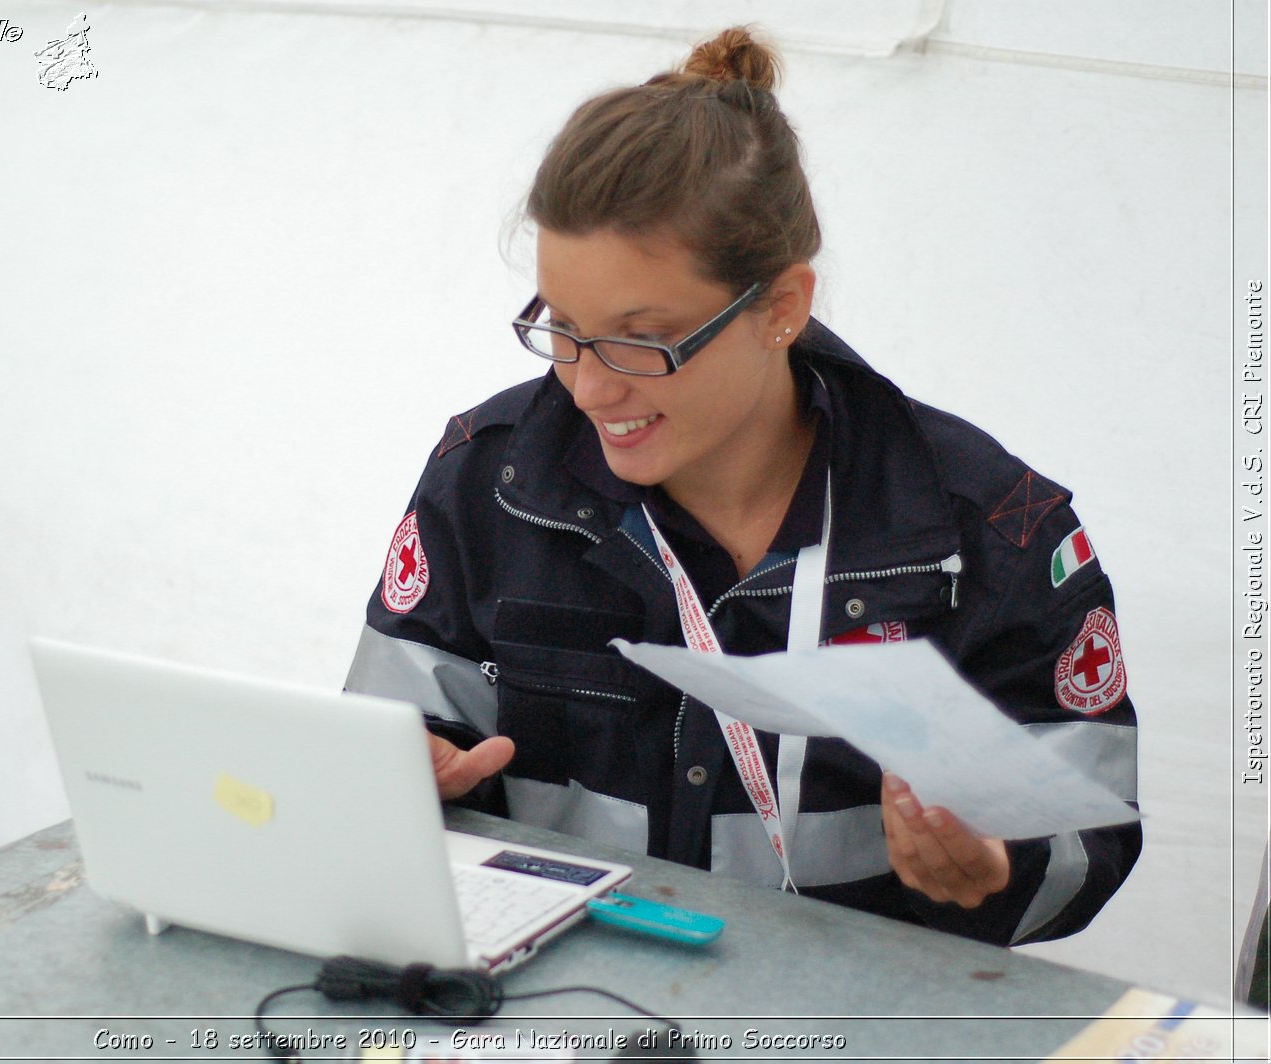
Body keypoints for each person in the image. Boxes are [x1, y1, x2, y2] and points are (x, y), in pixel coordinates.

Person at [345, 26, 1140, 945]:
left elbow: (1097, 828)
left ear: (781, 308)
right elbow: (377, 745)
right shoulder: (489, 477)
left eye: (642, 340)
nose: (591, 387)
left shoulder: (988, 531)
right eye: (562, 328)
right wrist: (414, 778)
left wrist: (1000, 869)